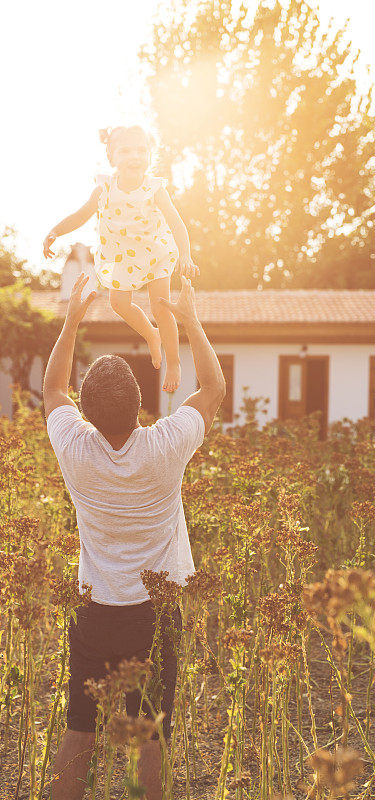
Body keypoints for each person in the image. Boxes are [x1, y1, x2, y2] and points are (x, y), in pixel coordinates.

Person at [44, 272, 226, 800]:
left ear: (88, 410)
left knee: (80, 727)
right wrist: (188, 317)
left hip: (93, 608)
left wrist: (73, 319)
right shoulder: (165, 445)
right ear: (140, 403)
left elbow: (53, 388)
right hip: (154, 609)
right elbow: (212, 389)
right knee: (149, 730)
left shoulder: (75, 447)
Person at [42, 124, 198, 392]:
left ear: (150, 155)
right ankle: (151, 334)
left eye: (141, 150)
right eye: (125, 151)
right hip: (122, 256)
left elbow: (176, 222)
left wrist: (186, 255)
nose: (134, 156)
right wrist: (56, 231)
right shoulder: (103, 188)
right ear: (112, 157)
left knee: (161, 306)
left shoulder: (155, 188)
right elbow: (81, 216)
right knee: (118, 304)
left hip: (154, 251)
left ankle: (173, 361)